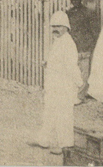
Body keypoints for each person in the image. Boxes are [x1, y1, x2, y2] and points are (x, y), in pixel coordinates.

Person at [33, 10, 83, 155]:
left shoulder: (68, 43)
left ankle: (65, 145)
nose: (56, 29)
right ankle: (44, 140)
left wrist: (79, 83)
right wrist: (48, 63)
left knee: (63, 114)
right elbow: (57, 61)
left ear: (66, 27)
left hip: (64, 85)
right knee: (49, 111)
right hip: (54, 84)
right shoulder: (58, 42)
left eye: (59, 26)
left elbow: (71, 66)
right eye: (53, 26)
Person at [66, 0, 100, 102]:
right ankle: (74, 93)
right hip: (72, 45)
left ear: (81, 0)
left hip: (84, 45)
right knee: (73, 70)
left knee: (84, 72)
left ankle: (80, 95)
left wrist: (91, 44)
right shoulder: (69, 13)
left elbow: (94, 31)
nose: (75, 1)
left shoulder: (88, 12)